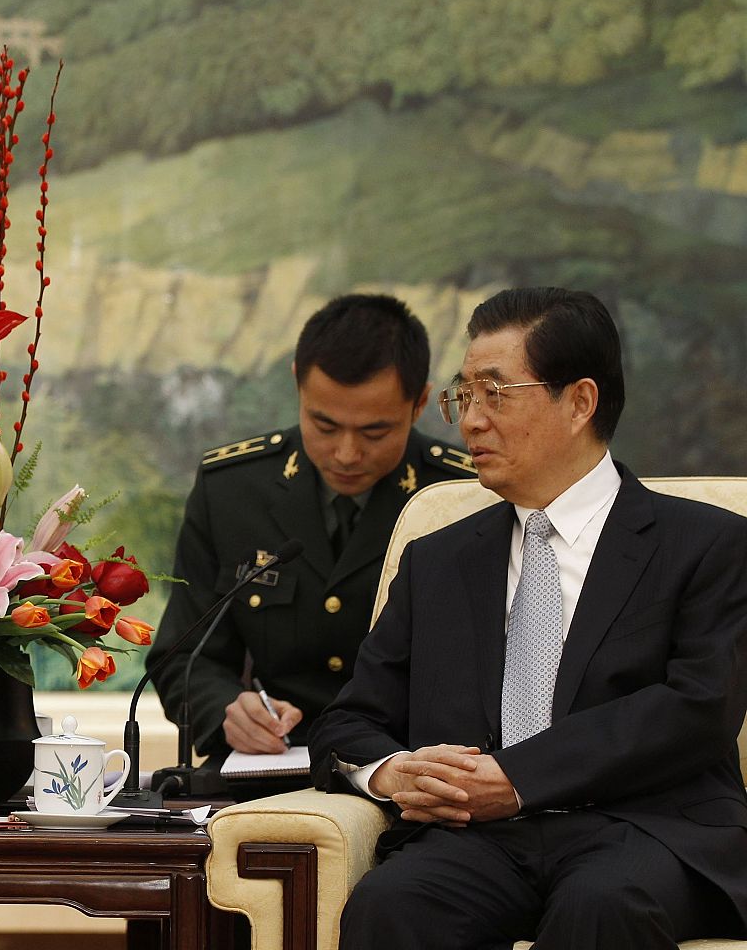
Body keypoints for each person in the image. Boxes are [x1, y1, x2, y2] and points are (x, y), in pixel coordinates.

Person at [310, 287, 747, 949]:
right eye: (465, 396)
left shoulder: (707, 545)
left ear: (579, 402)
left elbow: (698, 706)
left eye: (495, 393)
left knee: (604, 905)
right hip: (478, 842)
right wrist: (393, 772)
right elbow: (349, 721)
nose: (470, 422)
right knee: (393, 903)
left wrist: (518, 778)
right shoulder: (438, 561)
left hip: (643, 830)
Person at [147, 294, 475, 772]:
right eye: (323, 425)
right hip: (271, 767)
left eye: (374, 433)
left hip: (416, 769)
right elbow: (182, 656)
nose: (345, 453)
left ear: (420, 402)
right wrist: (228, 710)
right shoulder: (233, 489)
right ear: (298, 381)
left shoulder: (463, 495)